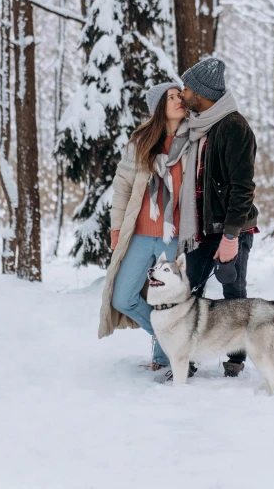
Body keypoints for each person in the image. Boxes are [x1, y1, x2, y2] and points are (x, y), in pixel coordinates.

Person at [97, 82, 189, 370]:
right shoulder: (140, 144)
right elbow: (122, 188)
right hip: (138, 234)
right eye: (171, 98)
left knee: (172, 300)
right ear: (159, 107)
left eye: (179, 96)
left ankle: (165, 358)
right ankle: (164, 336)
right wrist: (116, 230)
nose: (178, 101)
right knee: (123, 296)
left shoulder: (193, 142)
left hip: (172, 237)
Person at [179, 57, 258, 378]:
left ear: (202, 92)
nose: (182, 94)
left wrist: (231, 237)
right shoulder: (200, 127)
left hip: (229, 228)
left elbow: (242, 188)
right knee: (189, 292)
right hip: (200, 229)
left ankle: (236, 360)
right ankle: (188, 356)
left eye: (187, 88)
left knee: (233, 294)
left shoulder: (234, 127)